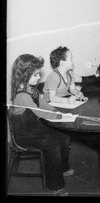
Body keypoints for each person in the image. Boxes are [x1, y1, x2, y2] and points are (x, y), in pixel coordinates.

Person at [9, 54, 75, 196]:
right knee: (52, 146)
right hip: (25, 134)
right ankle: (55, 186)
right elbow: (40, 113)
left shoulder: (31, 89)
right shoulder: (22, 95)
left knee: (63, 135)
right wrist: (60, 116)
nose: (39, 78)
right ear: (24, 75)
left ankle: (62, 167)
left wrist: (57, 111)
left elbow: (43, 104)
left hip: (34, 128)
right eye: (36, 75)